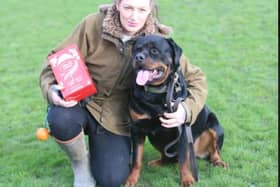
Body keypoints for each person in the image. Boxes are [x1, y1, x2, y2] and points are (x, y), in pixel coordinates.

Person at [39, 0, 207, 186]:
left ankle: (101, 151)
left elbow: (197, 79)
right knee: (61, 117)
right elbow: (53, 63)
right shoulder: (92, 25)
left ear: (150, 8)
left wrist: (186, 110)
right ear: (117, 4)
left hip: (116, 118)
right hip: (82, 101)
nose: (134, 16)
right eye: (128, 7)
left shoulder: (158, 41)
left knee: (111, 179)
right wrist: (52, 91)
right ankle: (80, 164)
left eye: (141, 9)